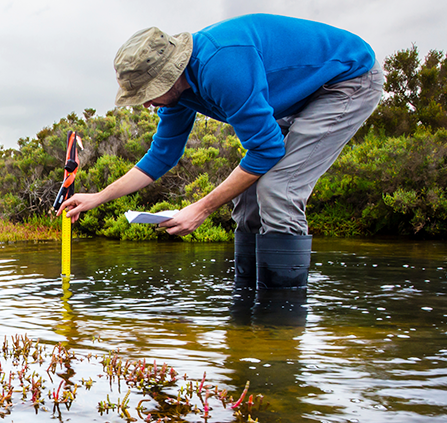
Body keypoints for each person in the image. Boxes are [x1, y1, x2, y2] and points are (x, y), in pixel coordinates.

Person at [59, 14, 384, 290]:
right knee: (247, 195)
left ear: (171, 75)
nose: (146, 103)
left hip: (346, 81)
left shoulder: (222, 67)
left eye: (150, 92)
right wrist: (98, 197)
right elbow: (162, 155)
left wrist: (201, 209)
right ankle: (246, 310)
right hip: (298, 95)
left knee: (277, 189)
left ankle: (280, 323)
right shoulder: (179, 94)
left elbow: (267, 151)